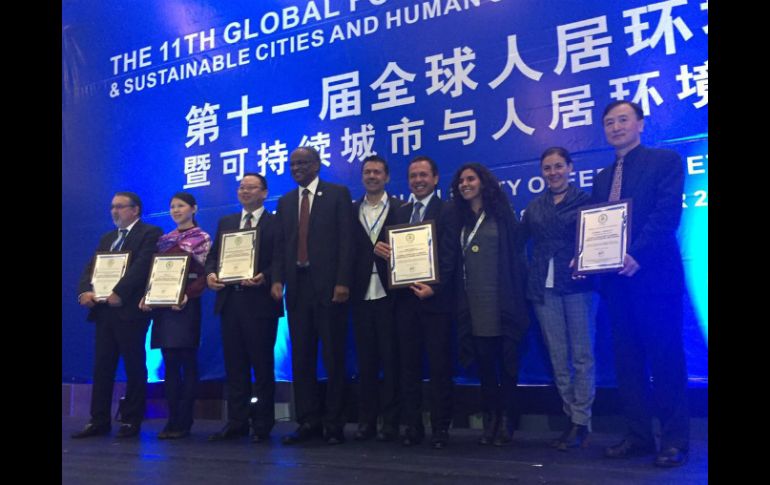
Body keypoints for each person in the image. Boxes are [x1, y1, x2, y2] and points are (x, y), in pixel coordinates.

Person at [592, 101, 689, 467]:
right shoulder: (602, 178)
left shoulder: (664, 161)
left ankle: (675, 440)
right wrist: (586, 257)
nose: (616, 127)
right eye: (609, 122)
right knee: (627, 362)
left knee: (666, 359)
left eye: (623, 120)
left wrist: (637, 253)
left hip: (654, 279)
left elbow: (666, 216)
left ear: (640, 124)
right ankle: (638, 436)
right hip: (616, 284)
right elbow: (597, 226)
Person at [373, 155, 459, 449]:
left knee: (439, 366)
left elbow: (450, 255)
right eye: (413, 176)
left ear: (435, 178)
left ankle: (440, 427)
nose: (418, 180)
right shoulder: (400, 212)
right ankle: (412, 426)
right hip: (405, 302)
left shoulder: (448, 210)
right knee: (407, 366)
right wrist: (383, 254)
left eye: (423, 175)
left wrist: (434, 287)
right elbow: (388, 254)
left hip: (435, 302)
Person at [271, 146, 354, 445]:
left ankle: (334, 423)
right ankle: (308, 421)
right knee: (302, 358)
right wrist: (277, 279)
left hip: (330, 288)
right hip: (298, 288)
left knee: (333, 357)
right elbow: (281, 245)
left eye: (303, 163)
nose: (297, 168)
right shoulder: (286, 201)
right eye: (293, 164)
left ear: (317, 165)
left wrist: (343, 281)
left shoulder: (337, 194)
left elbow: (347, 241)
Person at [448, 163, 530, 447]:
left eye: (470, 179)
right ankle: (490, 418)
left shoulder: (501, 214)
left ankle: (507, 419)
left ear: (483, 182)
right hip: (474, 304)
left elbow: (517, 258)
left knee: (507, 365)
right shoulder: (457, 218)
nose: (465, 184)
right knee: (485, 367)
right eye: (461, 180)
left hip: (503, 300)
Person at [519, 148, 594, 451]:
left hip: (577, 285)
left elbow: (598, 238)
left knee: (582, 356)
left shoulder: (586, 202)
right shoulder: (535, 207)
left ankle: (582, 420)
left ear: (570, 168)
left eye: (558, 166)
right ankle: (572, 417)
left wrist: (585, 257)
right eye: (548, 168)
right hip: (543, 288)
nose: (553, 173)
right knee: (558, 358)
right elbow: (516, 240)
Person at [73, 192, 163, 439]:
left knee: (134, 366)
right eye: (112, 207)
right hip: (104, 311)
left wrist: (119, 291)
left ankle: (131, 420)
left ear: (135, 210)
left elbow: (142, 266)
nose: (115, 211)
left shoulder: (149, 233)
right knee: (102, 367)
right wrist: (84, 291)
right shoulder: (108, 237)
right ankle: (98, 420)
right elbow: (91, 267)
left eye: (120, 207)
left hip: (129, 310)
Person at [205, 173, 284, 443]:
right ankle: (236, 422)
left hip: (260, 303)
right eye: (241, 187)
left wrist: (266, 276)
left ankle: (262, 423)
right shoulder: (226, 222)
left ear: (264, 193)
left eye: (251, 187)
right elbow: (213, 257)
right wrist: (211, 275)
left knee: (262, 366)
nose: (245, 191)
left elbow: (281, 259)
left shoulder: (276, 223)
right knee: (234, 365)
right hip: (230, 302)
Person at [139, 192, 211, 439]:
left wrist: (187, 295)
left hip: (186, 306)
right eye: (172, 206)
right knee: (169, 364)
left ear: (194, 209)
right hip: (164, 307)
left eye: (181, 206)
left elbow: (204, 275)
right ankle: (172, 420)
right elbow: (155, 274)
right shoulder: (163, 240)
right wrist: (148, 296)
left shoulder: (202, 238)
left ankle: (185, 421)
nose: (176, 210)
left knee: (187, 362)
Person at [350, 155, 402, 442]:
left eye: (377, 172)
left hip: (389, 294)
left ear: (387, 177)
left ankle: (391, 422)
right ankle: (366, 421)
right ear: (362, 177)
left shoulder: (401, 209)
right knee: (365, 361)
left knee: (391, 361)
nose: (372, 176)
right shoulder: (350, 210)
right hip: (359, 294)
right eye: (367, 172)